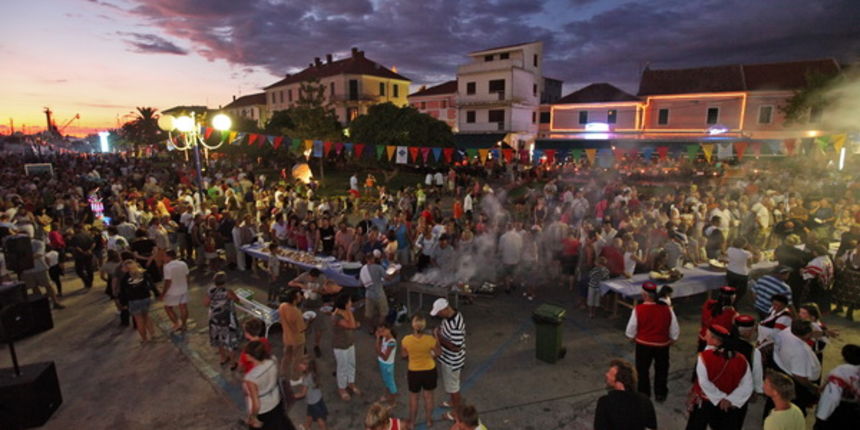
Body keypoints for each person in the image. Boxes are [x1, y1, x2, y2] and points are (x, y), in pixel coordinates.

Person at [686, 324, 753, 430]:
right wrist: (730, 399)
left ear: (716, 341)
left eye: (707, 335)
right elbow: (747, 385)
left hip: (706, 401)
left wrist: (720, 398)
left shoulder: (705, 357)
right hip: (727, 405)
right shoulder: (742, 359)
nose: (704, 336)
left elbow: (704, 382)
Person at [625, 281, 680, 402]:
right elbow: (674, 329)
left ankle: (644, 393)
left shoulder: (638, 310)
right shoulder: (667, 309)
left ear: (644, 295)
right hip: (662, 345)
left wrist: (634, 338)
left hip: (643, 345)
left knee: (642, 370)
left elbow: (630, 331)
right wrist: (672, 339)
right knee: (662, 369)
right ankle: (660, 393)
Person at [767, 320, 821, 418]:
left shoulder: (787, 331)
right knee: (794, 409)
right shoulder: (799, 352)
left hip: (782, 369)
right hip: (796, 383)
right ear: (807, 334)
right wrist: (812, 387)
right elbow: (800, 376)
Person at [241, 341, 296, 430]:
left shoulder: (251, 377)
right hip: (277, 400)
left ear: (251, 356)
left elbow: (256, 404)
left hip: (264, 409)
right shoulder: (273, 360)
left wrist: (252, 417)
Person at [593, 358, 657, 430]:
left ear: (618, 381)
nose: (606, 374)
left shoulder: (605, 402)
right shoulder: (645, 400)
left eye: (610, 373)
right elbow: (651, 428)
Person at [289, 268, 339, 358]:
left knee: (319, 328)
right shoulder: (304, 276)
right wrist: (300, 285)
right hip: (306, 306)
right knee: (304, 328)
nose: (312, 280)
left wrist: (318, 291)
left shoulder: (322, 278)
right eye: (311, 278)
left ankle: (316, 346)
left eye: (314, 279)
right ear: (309, 275)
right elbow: (291, 283)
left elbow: (327, 291)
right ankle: (303, 346)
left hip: (318, 306)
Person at [431, 298, 466, 422]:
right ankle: (453, 401)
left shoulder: (456, 325)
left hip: (452, 361)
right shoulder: (451, 315)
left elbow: (455, 347)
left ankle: (457, 413)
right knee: (452, 387)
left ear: (445, 309)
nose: (438, 315)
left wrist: (438, 337)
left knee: (453, 388)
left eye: (439, 313)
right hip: (446, 358)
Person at [401, 314, 439, 429]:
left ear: (413, 325)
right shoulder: (430, 340)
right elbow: (438, 353)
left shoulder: (406, 340)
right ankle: (428, 420)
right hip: (429, 371)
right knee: (428, 397)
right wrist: (436, 337)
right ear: (424, 326)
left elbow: (403, 355)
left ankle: (412, 422)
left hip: (414, 372)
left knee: (414, 398)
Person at [814, 344, 860, 429]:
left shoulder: (839, 374)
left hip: (841, 412)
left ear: (844, 357)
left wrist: (821, 418)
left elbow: (832, 398)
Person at [205, 271, 241, 370]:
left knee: (218, 340)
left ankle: (223, 358)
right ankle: (233, 363)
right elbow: (237, 300)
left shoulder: (211, 290)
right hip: (227, 320)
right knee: (229, 342)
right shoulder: (227, 291)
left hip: (214, 319)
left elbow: (205, 303)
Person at [119, 260, 159, 343]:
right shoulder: (144, 274)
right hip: (145, 298)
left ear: (126, 268)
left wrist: (123, 303)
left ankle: (144, 338)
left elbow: (122, 292)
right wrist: (157, 293)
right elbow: (152, 285)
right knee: (147, 317)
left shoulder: (125, 278)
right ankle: (153, 334)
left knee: (139, 320)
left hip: (133, 300)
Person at [332, 294, 361, 401]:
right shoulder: (337, 316)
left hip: (349, 342)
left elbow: (353, 324)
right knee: (342, 367)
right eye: (349, 302)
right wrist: (349, 311)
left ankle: (351, 382)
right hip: (340, 345)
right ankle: (342, 388)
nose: (351, 303)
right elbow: (352, 325)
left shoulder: (344, 312)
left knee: (351, 363)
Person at [278, 288, 306, 395]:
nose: (300, 296)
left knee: (287, 356)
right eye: (298, 295)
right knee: (297, 359)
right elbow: (301, 328)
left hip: (286, 337)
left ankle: (283, 373)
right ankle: (295, 378)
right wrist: (308, 321)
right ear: (295, 298)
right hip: (297, 339)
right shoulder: (296, 312)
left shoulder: (282, 306)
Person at [697, 286, 737, 351]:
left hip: (703, 337)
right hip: (718, 344)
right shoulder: (733, 315)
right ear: (732, 298)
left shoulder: (708, 304)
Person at [293, 356, 328, 430]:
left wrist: (292, 396)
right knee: (310, 414)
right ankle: (306, 426)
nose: (299, 365)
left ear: (307, 366)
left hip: (313, 402)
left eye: (301, 364)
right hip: (318, 398)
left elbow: (303, 393)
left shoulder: (306, 378)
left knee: (320, 419)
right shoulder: (313, 373)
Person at [360, 250, 390, 328]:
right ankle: (380, 328)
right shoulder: (378, 268)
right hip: (379, 293)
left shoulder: (363, 269)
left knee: (369, 314)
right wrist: (395, 272)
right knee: (383, 312)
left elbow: (361, 283)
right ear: (373, 258)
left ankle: (371, 328)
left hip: (369, 295)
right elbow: (387, 277)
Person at [162, 250, 190, 332]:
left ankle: (176, 323)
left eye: (165, 256)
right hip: (183, 288)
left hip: (172, 291)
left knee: (168, 307)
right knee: (183, 307)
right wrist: (187, 285)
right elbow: (187, 276)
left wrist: (163, 293)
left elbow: (168, 281)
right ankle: (184, 324)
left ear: (169, 257)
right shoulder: (183, 264)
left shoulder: (167, 267)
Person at [375, 322, 398, 404]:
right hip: (383, 363)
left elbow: (385, 357)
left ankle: (393, 400)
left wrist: (379, 352)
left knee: (390, 382)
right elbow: (379, 348)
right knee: (386, 380)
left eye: (383, 331)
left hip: (387, 365)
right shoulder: (384, 338)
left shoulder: (392, 342)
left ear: (389, 330)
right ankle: (387, 395)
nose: (381, 333)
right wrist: (378, 339)